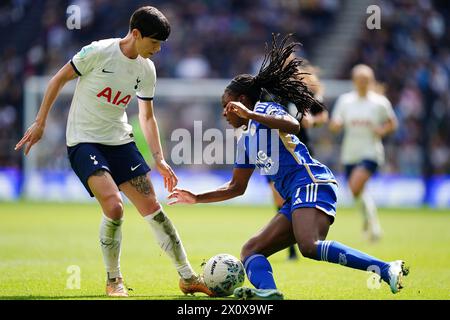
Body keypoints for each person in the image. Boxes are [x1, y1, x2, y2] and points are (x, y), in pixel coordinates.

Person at [168, 34, 408, 300]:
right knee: (251, 251)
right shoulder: (245, 139)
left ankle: (386, 268)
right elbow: (236, 187)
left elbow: (293, 125)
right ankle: (269, 292)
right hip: (294, 196)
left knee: (309, 246)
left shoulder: (267, 109)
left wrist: (251, 114)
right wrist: (197, 197)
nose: (224, 113)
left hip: (310, 181)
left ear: (243, 101)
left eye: (227, 106)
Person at [15, 6, 212, 298]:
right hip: (84, 140)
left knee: (154, 210)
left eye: (161, 44)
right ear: (136, 34)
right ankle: (113, 279)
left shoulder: (146, 69)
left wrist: (159, 158)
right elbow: (58, 79)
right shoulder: (98, 52)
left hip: (119, 141)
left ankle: (187, 277)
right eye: (154, 42)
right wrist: (41, 121)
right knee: (115, 207)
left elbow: (146, 116)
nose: (158, 49)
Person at [264, 59, 328, 260]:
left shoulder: (302, 92)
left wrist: (313, 121)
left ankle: (300, 241)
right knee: (279, 198)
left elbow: (321, 115)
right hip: (274, 152)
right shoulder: (268, 91)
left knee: (296, 199)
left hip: (300, 152)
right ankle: (292, 246)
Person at [330, 64, 398, 242]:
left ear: (371, 81)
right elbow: (335, 122)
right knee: (356, 192)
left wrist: (382, 130)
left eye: (366, 80)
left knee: (355, 185)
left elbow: (392, 123)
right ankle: (369, 218)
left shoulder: (380, 102)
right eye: (360, 80)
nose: (363, 83)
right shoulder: (345, 101)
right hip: (350, 153)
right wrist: (336, 125)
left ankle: (374, 228)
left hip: (371, 152)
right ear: (354, 81)